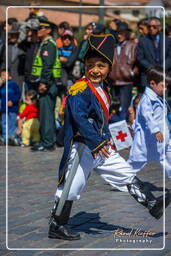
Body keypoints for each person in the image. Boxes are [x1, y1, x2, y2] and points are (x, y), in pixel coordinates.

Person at [48, 34, 171, 241]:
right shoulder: (80, 89)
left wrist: (106, 139)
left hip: (102, 146)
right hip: (82, 147)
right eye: (90, 65)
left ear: (109, 67)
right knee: (71, 185)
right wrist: (96, 142)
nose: (95, 70)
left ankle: (152, 204)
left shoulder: (103, 87)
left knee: (124, 172)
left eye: (101, 66)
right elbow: (79, 119)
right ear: (85, 66)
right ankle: (57, 224)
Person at [128, 67, 171, 178]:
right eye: (163, 86)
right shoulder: (146, 100)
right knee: (138, 160)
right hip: (150, 137)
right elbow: (148, 117)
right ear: (152, 84)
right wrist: (156, 130)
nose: (165, 89)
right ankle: (124, 178)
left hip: (163, 136)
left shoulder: (158, 98)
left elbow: (162, 115)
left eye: (166, 86)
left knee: (167, 156)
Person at [30, 20, 61, 152]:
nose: (38, 31)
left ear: (48, 30)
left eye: (41, 28)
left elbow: (48, 66)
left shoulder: (49, 45)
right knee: (44, 113)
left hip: (48, 85)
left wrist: (44, 83)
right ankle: (46, 140)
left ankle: (48, 143)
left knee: (46, 114)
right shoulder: (44, 44)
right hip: (46, 84)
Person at [109, 22, 139, 110]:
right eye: (118, 33)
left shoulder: (133, 45)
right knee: (114, 108)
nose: (119, 35)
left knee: (125, 108)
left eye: (121, 33)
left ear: (126, 33)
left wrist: (132, 73)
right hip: (113, 81)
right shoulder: (114, 46)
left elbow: (137, 62)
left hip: (126, 81)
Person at [136, 17, 171, 89]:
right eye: (149, 26)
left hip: (164, 75)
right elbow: (140, 58)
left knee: (163, 99)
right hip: (148, 76)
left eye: (154, 26)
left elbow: (170, 56)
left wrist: (162, 68)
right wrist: (153, 69)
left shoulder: (167, 40)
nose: (151, 28)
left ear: (160, 28)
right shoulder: (142, 41)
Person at [0, 69, 21, 145]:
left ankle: (11, 137)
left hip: (12, 109)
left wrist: (12, 100)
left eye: (4, 75)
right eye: (1, 75)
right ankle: (5, 138)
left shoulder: (13, 84)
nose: (2, 77)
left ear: (9, 77)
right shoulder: (2, 86)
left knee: (11, 123)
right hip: (3, 109)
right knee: (4, 123)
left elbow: (18, 94)